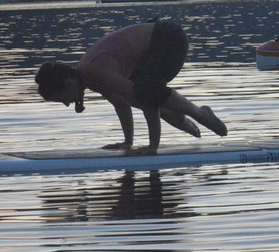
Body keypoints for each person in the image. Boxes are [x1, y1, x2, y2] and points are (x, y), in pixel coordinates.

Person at [35, 20, 227, 154]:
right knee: (145, 97)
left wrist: (153, 146)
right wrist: (128, 142)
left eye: (62, 99)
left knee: (147, 92)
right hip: (151, 49)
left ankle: (200, 114)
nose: (67, 104)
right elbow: (122, 103)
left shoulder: (96, 71)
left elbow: (145, 99)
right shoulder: (89, 77)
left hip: (169, 39)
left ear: (68, 84)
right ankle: (187, 120)